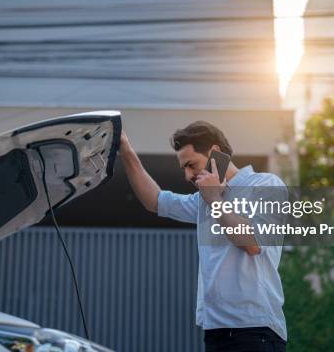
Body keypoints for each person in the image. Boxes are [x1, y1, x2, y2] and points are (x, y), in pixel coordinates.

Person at [119, 121, 287, 352]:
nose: (188, 175)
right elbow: (155, 200)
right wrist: (125, 150)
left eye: (191, 164)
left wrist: (215, 200)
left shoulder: (265, 185)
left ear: (215, 154)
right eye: (184, 169)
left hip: (255, 331)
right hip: (215, 332)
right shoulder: (204, 201)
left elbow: (252, 243)